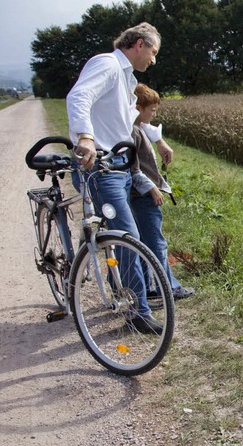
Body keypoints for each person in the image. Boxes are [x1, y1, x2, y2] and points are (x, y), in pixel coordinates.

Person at [67, 22, 163, 334]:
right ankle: (139, 313)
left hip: (121, 165)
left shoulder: (126, 78)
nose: (153, 59)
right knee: (128, 237)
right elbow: (78, 96)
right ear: (138, 44)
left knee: (125, 235)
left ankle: (125, 293)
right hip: (103, 167)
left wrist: (158, 141)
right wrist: (85, 137)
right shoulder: (107, 65)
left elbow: (126, 122)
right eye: (153, 51)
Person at [130, 83, 194, 300]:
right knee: (156, 243)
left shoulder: (137, 127)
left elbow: (149, 129)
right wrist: (152, 188)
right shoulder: (134, 133)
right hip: (143, 197)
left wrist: (161, 143)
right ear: (138, 109)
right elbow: (133, 169)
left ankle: (148, 286)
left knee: (144, 241)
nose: (155, 114)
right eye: (152, 110)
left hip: (140, 196)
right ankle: (168, 287)